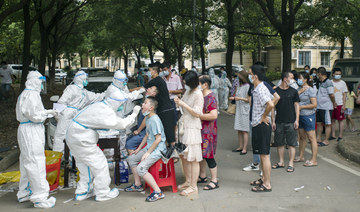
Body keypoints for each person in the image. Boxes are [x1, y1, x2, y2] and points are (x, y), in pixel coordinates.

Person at [66, 91, 141, 201]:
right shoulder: (105, 111)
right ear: (116, 102)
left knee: (84, 165)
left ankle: (83, 191)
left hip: (73, 136)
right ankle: (102, 193)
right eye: (120, 104)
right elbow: (122, 124)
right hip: (81, 138)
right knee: (100, 164)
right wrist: (134, 114)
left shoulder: (100, 105)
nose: (120, 107)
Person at [16, 71, 57, 208]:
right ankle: (40, 197)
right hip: (32, 129)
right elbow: (34, 115)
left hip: (26, 129)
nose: (41, 84)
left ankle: (25, 192)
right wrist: (48, 113)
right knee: (36, 162)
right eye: (40, 81)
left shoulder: (25, 94)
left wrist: (46, 112)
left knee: (26, 161)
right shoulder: (32, 95)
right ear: (34, 80)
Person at [125, 96, 167, 202]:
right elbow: (147, 135)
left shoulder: (155, 120)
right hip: (150, 147)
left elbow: (158, 139)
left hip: (158, 150)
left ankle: (158, 192)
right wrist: (139, 149)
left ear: (151, 107)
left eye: (145, 103)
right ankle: (138, 184)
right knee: (131, 159)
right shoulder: (148, 118)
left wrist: (147, 153)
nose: (142, 105)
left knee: (141, 168)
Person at [53, 70, 105, 153]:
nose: (87, 81)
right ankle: (59, 157)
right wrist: (58, 115)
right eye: (85, 79)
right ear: (81, 79)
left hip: (76, 117)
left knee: (74, 137)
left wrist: (106, 94)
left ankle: (71, 159)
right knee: (61, 136)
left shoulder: (84, 92)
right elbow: (62, 102)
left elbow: (96, 97)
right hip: (67, 115)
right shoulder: (71, 89)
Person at [132, 63, 176, 158]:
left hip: (166, 110)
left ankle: (174, 155)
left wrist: (129, 91)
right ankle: (168, 154)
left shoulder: (156, 80)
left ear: (154, 71)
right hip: (163, 109)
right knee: (165, 133)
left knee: (169, 134)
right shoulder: (157, 80)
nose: (149, 72)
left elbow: (142, 88)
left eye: (150, 70)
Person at [175, 71, 204, 196]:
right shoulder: (188, 91)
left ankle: (193, 186)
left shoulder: (198, 94)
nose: (184, 84)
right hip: (184, 125)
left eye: (186, 82)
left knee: (193, 158)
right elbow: (184, 107)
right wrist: (179, 103)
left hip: (192, 127)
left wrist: (182, 104)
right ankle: (188, 181)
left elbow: (197, 113)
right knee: (185, 157)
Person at [104, 70, 145, 158]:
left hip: (120, 114)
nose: (124, 83)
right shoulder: (112, 90)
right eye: (122, 81)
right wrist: (138, 92)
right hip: (114, 116)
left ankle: (121, 153)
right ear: (117, 80)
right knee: (114, 135)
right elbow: (126, 96)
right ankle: (114, 157)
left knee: (122, 134)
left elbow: (126, 95)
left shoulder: (119, 87)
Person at [248, 65, 274, 192]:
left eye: (250, 74)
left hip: (261, 125)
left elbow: (271, 103)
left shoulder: (261, 88)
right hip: (257, 124)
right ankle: (263, 179)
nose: (249, 76)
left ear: (255, 76)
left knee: (264, 156)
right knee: (262, 154)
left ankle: (267, 184)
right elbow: (274, 99)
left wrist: (264, 116)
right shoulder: (257, 88)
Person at [272, 71, 300, 173]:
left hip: (291, 121)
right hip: (279, 121)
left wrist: (297, 120)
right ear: (285, 79)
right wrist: (273, 121)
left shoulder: (293, 91)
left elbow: (297, 106)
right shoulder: (275, 91)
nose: (293, 80)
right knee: (279, 143)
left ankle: (291, 163)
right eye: (291, 78)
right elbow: (272, 107)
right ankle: (281, 162)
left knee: (291, 144)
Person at [198, 75, 219, 190]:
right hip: (202, 129)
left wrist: (199, 116)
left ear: (205, 84)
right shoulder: (202, 95)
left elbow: (213, 115)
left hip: (208, 131)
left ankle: (214, 180)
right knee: (202, 155)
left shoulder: (210, 97)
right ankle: (202, 176)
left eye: (199, 83)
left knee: (209, 155)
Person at [126, 86, 159, 154]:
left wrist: (138, 131)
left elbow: (146, 118)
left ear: (154, 93)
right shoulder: (147, 103)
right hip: (142, 132)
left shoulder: (152, 105)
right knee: (127, 140)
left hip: (144, 133)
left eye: (151, 88)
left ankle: (133, 161)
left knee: (129, 144)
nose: (148, 88)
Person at [295, 72, 318, 167]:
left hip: (308, 116)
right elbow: (294, 99)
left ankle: (314, 160)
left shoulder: (311, 90)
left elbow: (314, 104)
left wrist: (301, 107)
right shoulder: (298, 89)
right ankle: (301, 156)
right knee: (301, 137)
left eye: (300, 78)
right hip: (299, 116)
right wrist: (299, 92)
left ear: (305, 79)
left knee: (312, 138)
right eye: (298, 78)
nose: (298, 80)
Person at [229, 70, 250, 155]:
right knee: (239, 129)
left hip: (245, 110)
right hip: (239, 109)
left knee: (244, 130)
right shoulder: (239, 86)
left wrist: (239, 99)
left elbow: (249, 100)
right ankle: (240, 146)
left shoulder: (247, 86)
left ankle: (244, 148)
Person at [316, 67, 336, 146]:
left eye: (318, 74)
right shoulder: (321, 82)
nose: (317, 75)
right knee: (319, 123)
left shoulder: (328, 82)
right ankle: (318, 138)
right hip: (319, 107)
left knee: (327, 124)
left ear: (320, 74)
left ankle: (326, 140)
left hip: (326, 107)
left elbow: (331, 94)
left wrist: (334, 102)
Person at [329, 68, 348, 141]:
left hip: (339, 104)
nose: (338, 75)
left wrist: (344, 105)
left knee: (340, 120)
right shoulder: (330, 82)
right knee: (332, 120)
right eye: (336, 74)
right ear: (333, 74)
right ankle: (333, 135)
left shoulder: (343, 83)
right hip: (331, 104)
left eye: (339, 74)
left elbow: (344, 94)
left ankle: (340, 136)